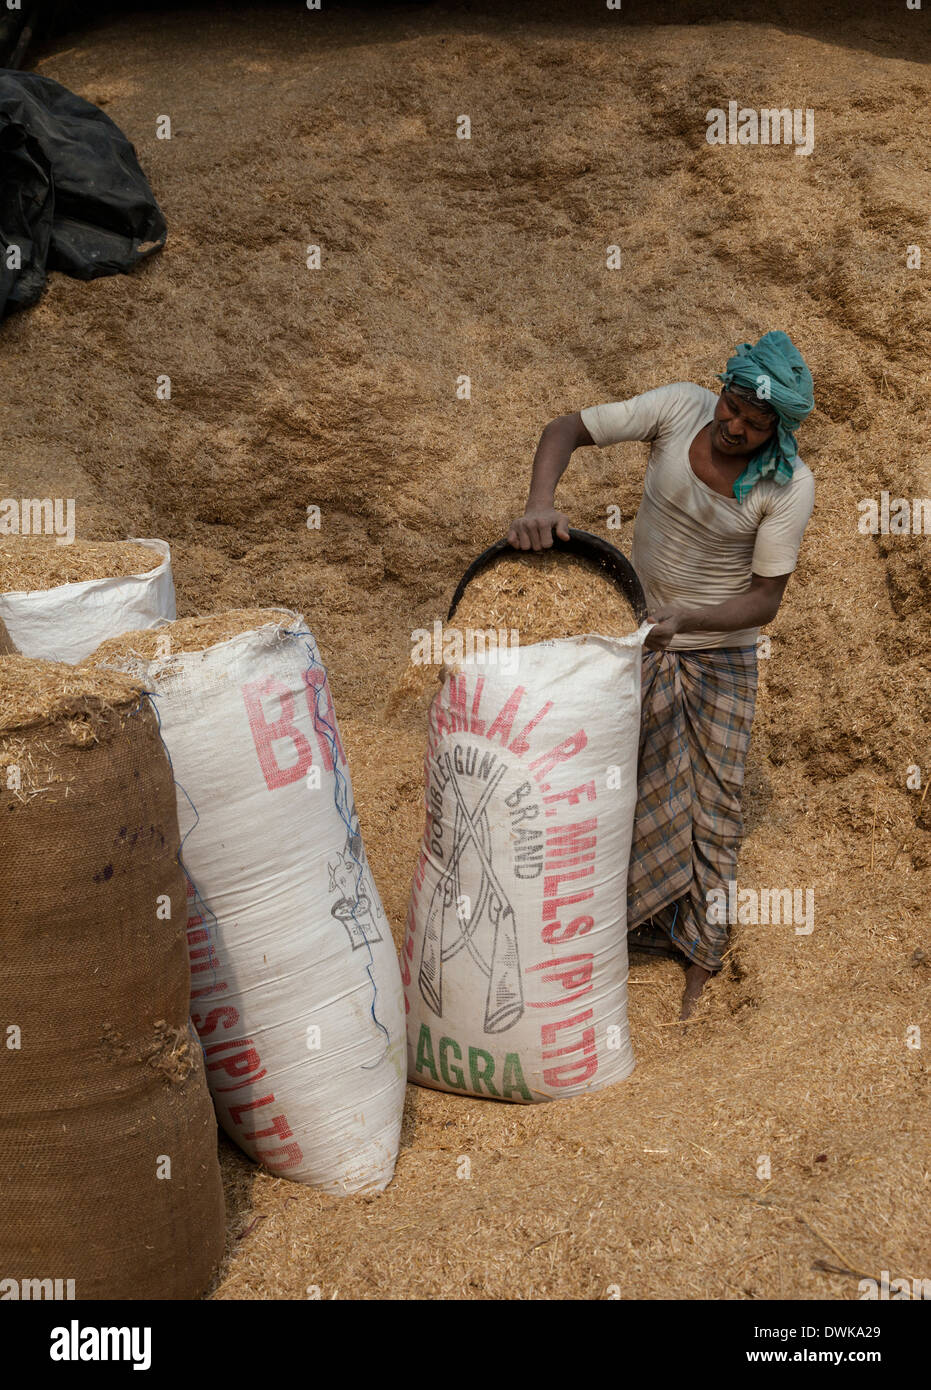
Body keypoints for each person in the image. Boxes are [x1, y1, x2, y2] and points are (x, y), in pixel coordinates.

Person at [507, 331, 816, 1019]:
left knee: (713, 805)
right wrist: (540, 504)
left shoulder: (787, 486)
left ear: (778, 429)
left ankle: (700, 962)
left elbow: (764, 600)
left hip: (715, 654)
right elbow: (566, 429)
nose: (734, 426)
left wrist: (689, 619)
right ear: (722, 390)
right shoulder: (679, 409)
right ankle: (603, 938)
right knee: (618, 788)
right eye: (731, 406)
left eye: (754, 422)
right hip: (635, 638)